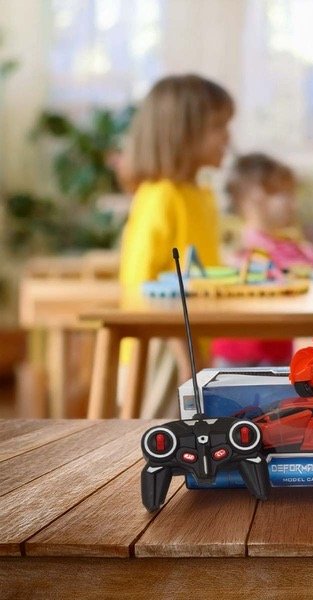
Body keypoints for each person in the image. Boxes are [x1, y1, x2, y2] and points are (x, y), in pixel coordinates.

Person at [118, 74, 234, 415]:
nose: (228, 137)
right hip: (162, 351)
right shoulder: (161, 197)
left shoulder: (200, 196)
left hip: (192, 343)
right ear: (183, 134)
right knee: (160, 434)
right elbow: (142, 286)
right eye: (218, 127)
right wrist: (185, 354)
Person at [211, 153, 313, 367]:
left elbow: (311, 270)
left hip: (278, 351)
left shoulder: (290, 244)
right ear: (256, 196)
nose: (293, 204)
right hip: (238, 352)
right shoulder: (237, 243)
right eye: (285, 194)